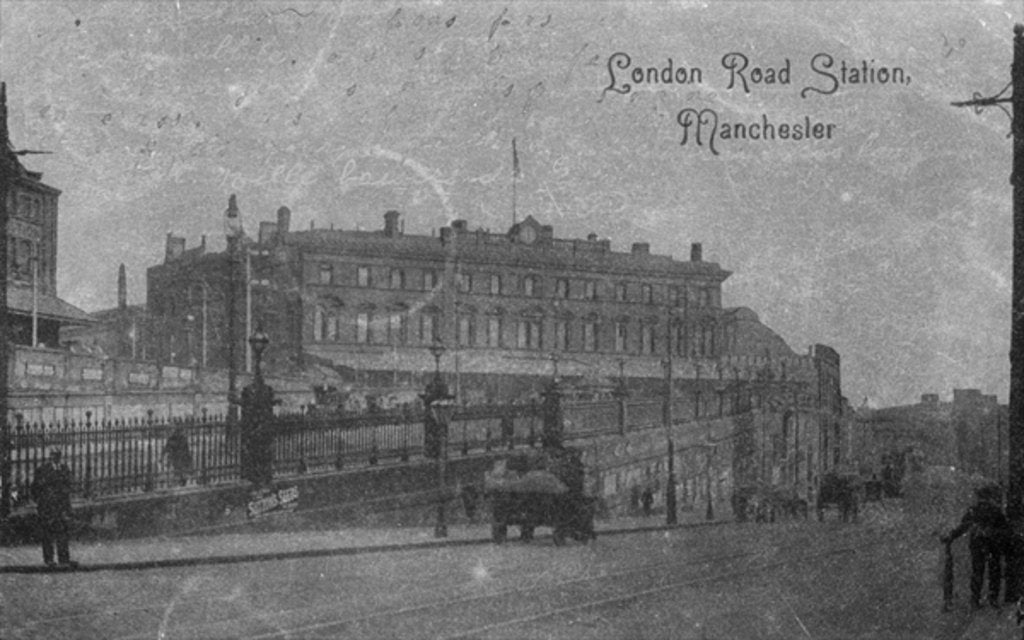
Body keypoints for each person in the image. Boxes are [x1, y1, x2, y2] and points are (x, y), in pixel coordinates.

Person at [942, 484, 1011, 609]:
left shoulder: (973, 511)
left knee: (977, 571)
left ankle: (975, 599)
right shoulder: (996, 511)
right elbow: (1005, 530)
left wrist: (950, 536)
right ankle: (993, 599)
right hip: (992, 545)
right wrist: (994, 534)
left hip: (977, 545)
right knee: (994, 572)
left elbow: (962, 527)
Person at [31, 449, 75, 568]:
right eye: (53, 455)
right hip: (47, 506)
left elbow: (69, 485)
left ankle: (64, 559)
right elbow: (35, 488)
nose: (55, 458)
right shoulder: (42, 470)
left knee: (62, 533)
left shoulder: (64, 469)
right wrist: (41, 502)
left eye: (57, 456)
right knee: (47, 533)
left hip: (61, 506)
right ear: (50, 456)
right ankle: (49, 559)